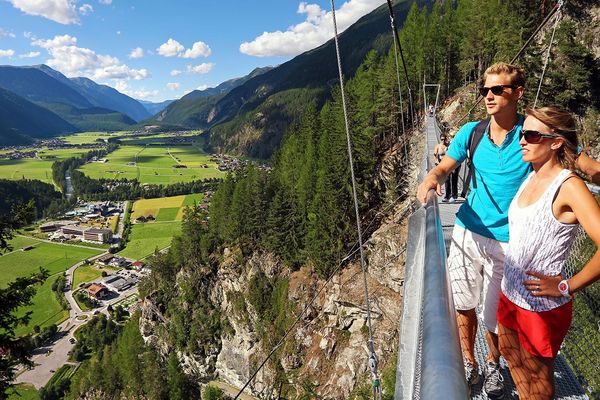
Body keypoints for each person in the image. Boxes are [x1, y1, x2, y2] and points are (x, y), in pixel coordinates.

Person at [416, 62, 600, 398]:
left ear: (517, 93)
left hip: (511, 250)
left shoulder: (532, 138)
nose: (488, 95)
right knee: (464, 301)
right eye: (484, 90)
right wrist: (431, 178)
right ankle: (470, 359)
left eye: (497, 89)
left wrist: (565, 285)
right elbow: (444, 166)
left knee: (494, 318)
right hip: (470, 231)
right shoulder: (476, 133)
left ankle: (491, 364)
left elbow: (579, 162)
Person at [497, 107, 600, 400]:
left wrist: (566, 286)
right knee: (508, 352)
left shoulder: (570, 187)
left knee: (538, 379)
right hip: (511, 292)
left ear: (555, 142)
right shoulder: (532, 175)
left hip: (540, 306)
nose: (522, 141)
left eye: (530, 135)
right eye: (521, 133)